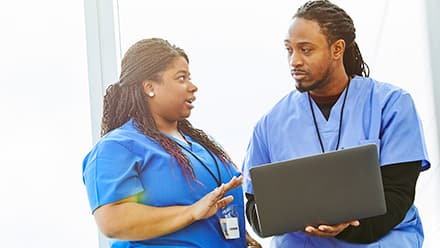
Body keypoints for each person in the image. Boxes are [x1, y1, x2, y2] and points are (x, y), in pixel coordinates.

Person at [242, 0, 430, 247]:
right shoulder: (270, 124)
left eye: (306, 50)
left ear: (337, 49)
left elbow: (398, 193)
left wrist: (346, 228)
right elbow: (256, 207)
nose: (294, 61)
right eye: (289, 50)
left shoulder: (391, 105)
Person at [82, 38, 261, 247]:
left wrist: (242, 239)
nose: (193, 87)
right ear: (150, 87)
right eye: (181, 78)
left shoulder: (206, 145)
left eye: (189, 77)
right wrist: (191, 212)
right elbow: (112, 221)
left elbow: (219, 210)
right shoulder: (117, 147)